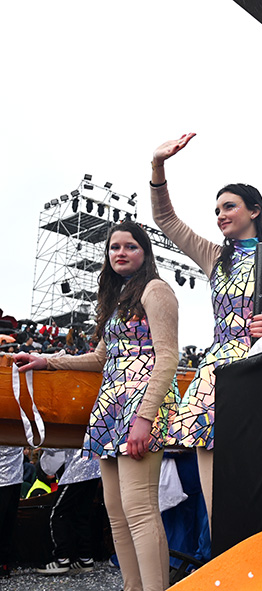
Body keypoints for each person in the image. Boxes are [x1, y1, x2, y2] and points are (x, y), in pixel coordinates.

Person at [150, 134, 262, 524]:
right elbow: (166, 220)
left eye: (229, 206)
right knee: (210, 470)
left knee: (259, 469)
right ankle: (221, 547)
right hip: (217, 370)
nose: (220, 215)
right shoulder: (213, 256)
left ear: (254, 210)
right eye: (217, 210)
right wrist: (158, 165)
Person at [15, 221, 180, 591]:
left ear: (145, 252)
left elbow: (169, 357)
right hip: (109, 408)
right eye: (114, 247)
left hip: (141, 405)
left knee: (139, 509)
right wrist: (47, 361)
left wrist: (145, 418)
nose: (121, 253)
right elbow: (101, 357)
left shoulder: (156, 289)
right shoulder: (118, 296)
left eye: (130, 246)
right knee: (116, 513)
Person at [36, 449, 101, 575]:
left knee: (57, 512)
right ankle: (85, 558)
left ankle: (61, 559)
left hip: (76, 468)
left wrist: (37, 443)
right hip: (94, 466)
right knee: (81, 512)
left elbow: (55, 446)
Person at [0, 446, 23, 578]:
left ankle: (4, 563)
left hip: (14, 478)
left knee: (8, 522)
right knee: (7, 522)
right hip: (10, 478)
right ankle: (3, 563)